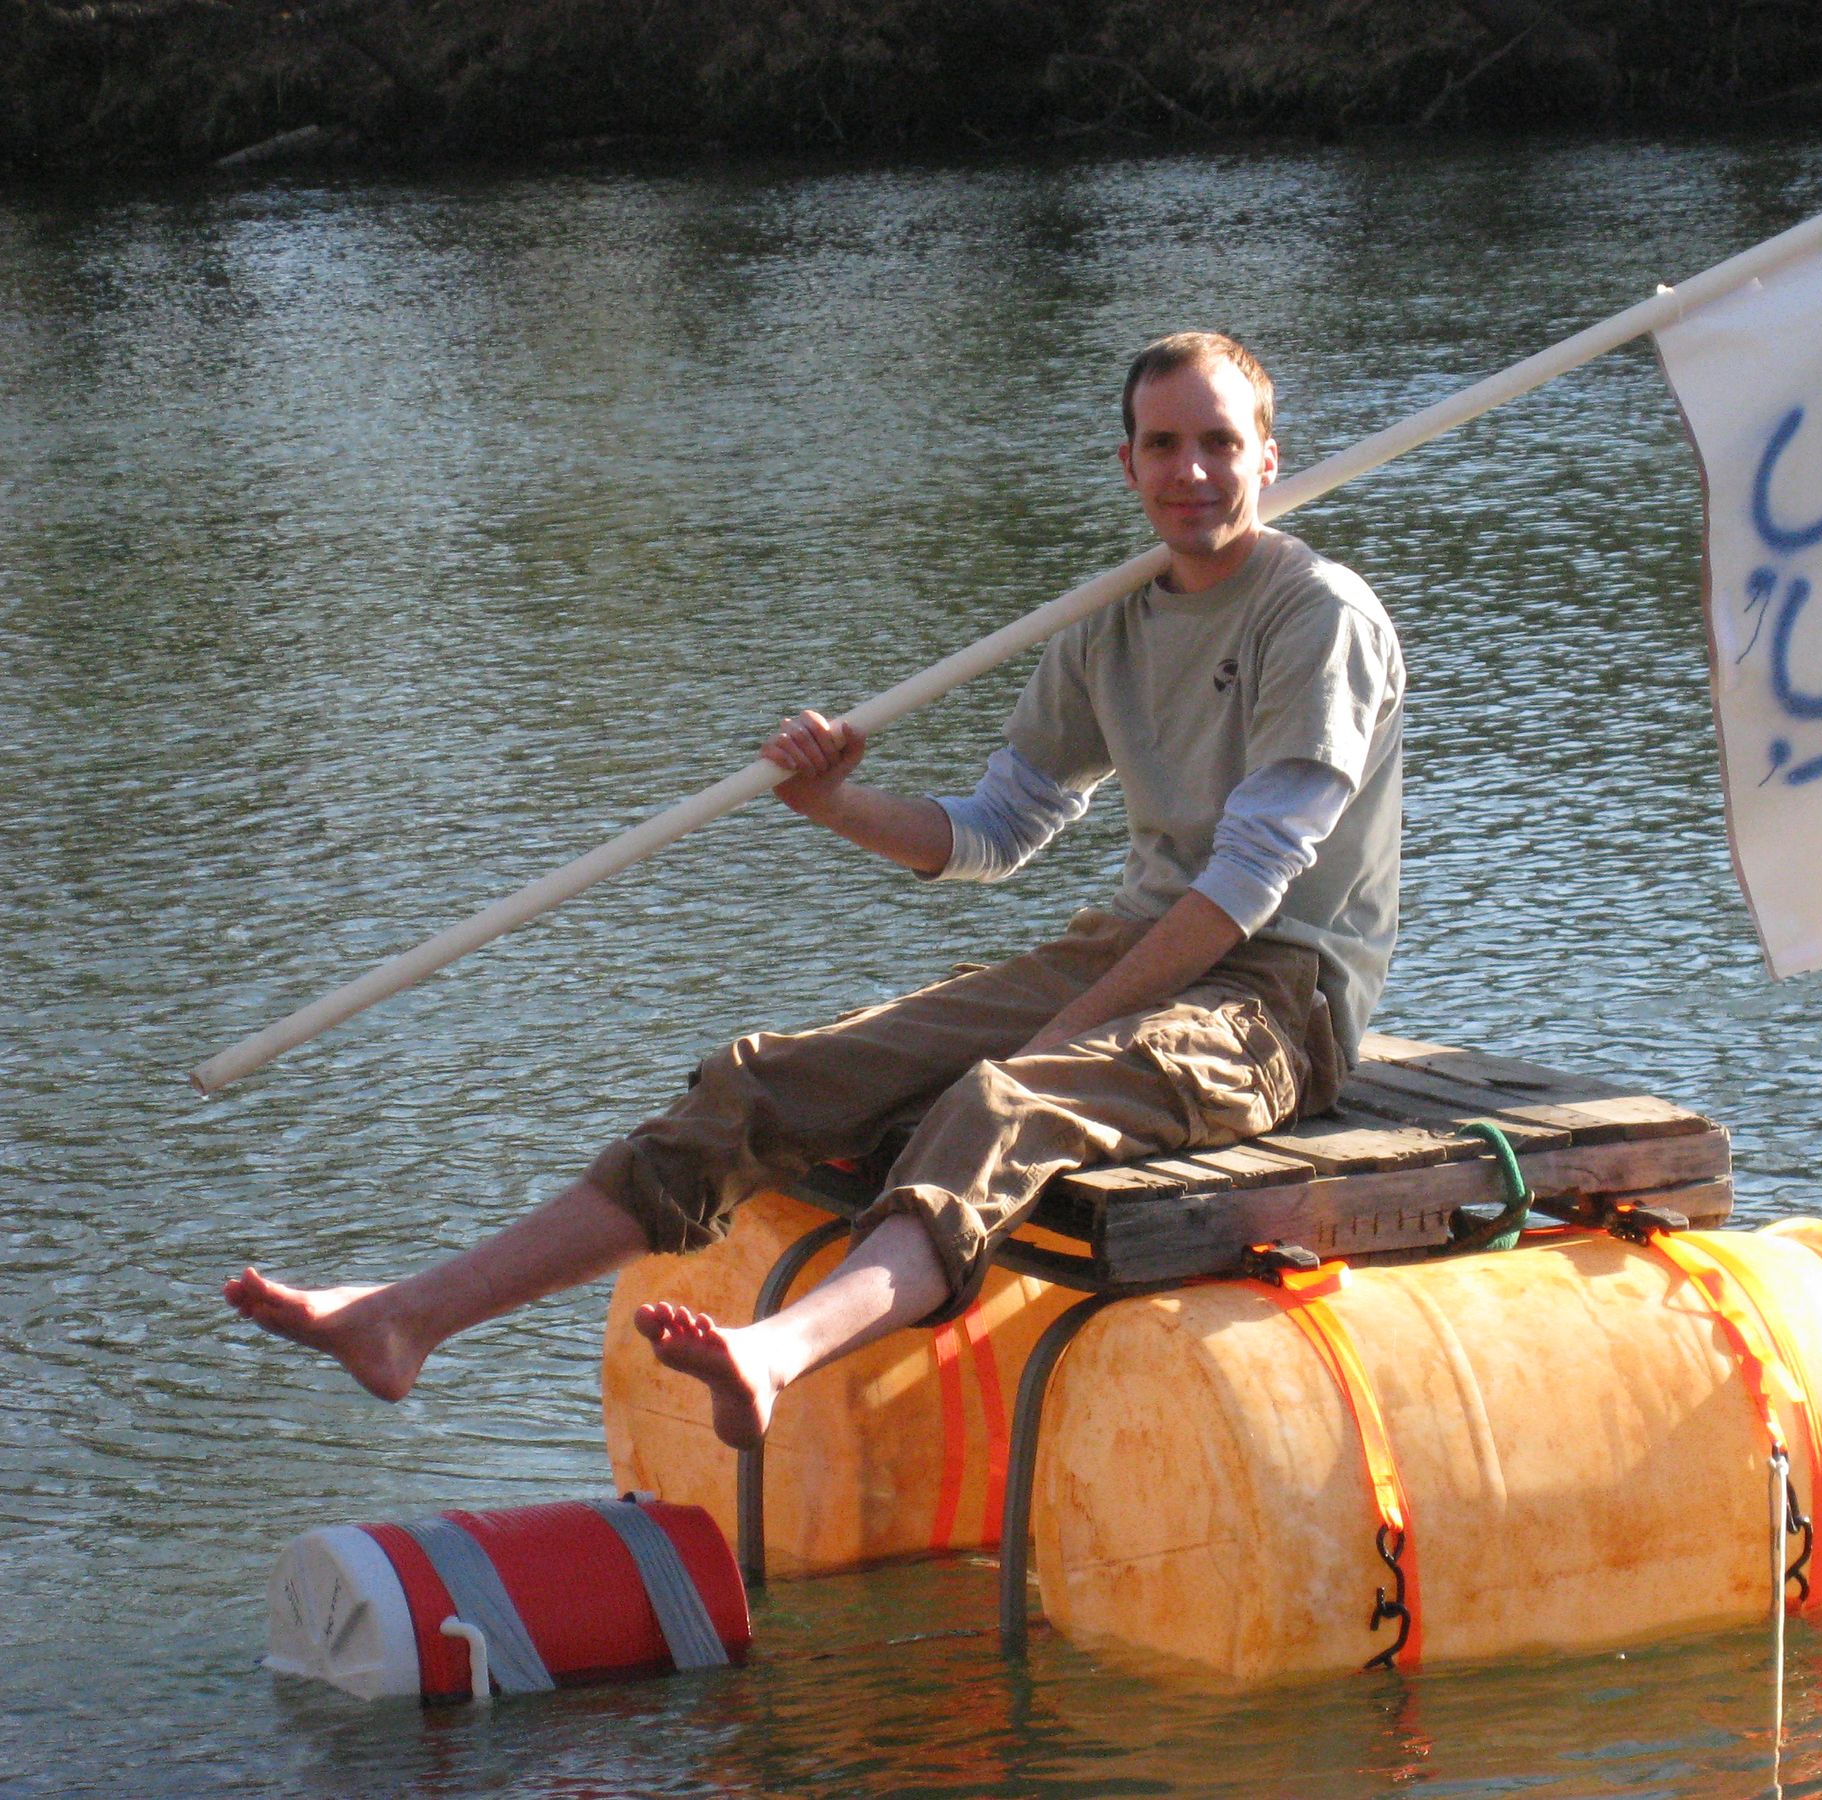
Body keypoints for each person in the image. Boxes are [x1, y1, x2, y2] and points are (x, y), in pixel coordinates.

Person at [223, 331, 1405, 1452]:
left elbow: (1247, 886)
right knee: (765, 1079)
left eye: (1217, 442)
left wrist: (1068, 1029)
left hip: (1276, 999)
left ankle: (774, 1355)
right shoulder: (1104, 626)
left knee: (1005, 1100)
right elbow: (999, 830)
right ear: (1127, 463)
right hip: (1130, 944)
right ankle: (409, 1318)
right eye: (1162, 445)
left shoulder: (1321, 617)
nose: (1191, 471)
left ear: (1269, 455)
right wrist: (835, 802)